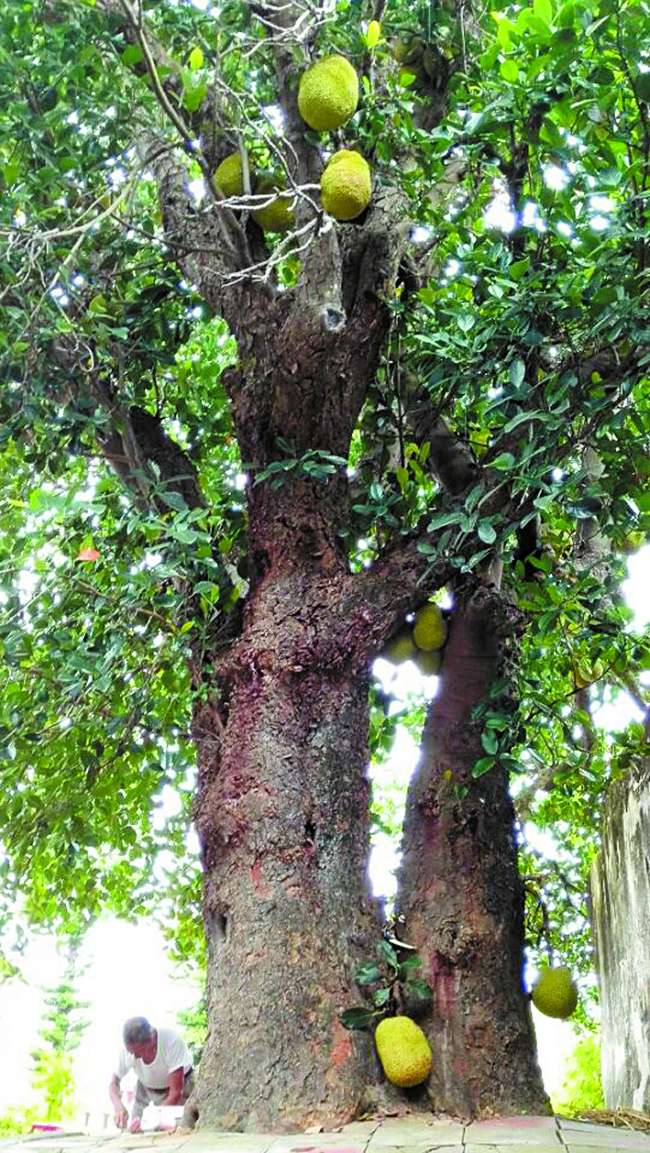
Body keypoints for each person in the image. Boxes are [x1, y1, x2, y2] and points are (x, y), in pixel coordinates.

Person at [109, 1016, 195, 1133]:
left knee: (180, 1128)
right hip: (145, 1088)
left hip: (181, 1088)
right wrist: (118, 1106)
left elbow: (175, 1093)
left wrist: (151, 1120)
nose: (136, 1057)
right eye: (132, 1052)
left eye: (140, 1051)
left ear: (152, 1039)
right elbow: (113, 1084)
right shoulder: (127, 1052)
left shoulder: (171, 1040)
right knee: (135, 1130)